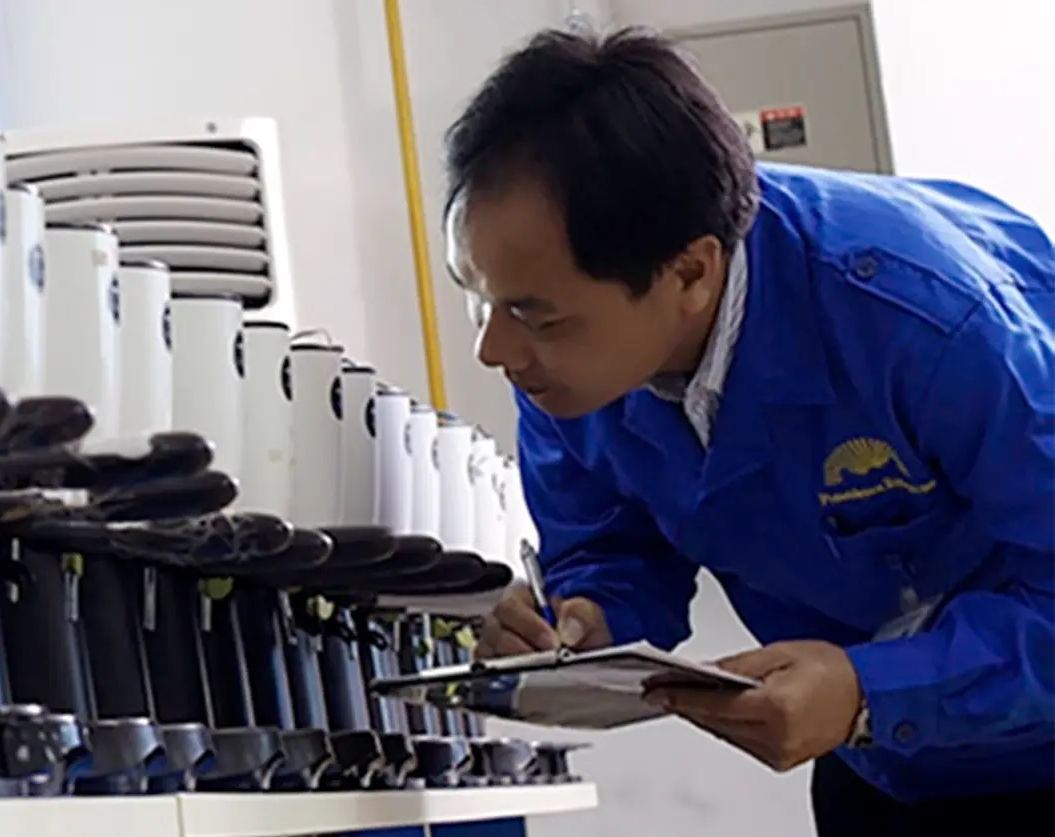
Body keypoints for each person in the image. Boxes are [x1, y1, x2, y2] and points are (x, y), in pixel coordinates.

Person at [441, 25, 1054, 837]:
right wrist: (581, 622)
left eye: (531, 313)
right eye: (478, 297)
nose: (493, 349)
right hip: (883, 766)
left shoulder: (929, 324)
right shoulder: (568, 367)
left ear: (690, 272)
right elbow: (612, 545)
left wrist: (872, 689)